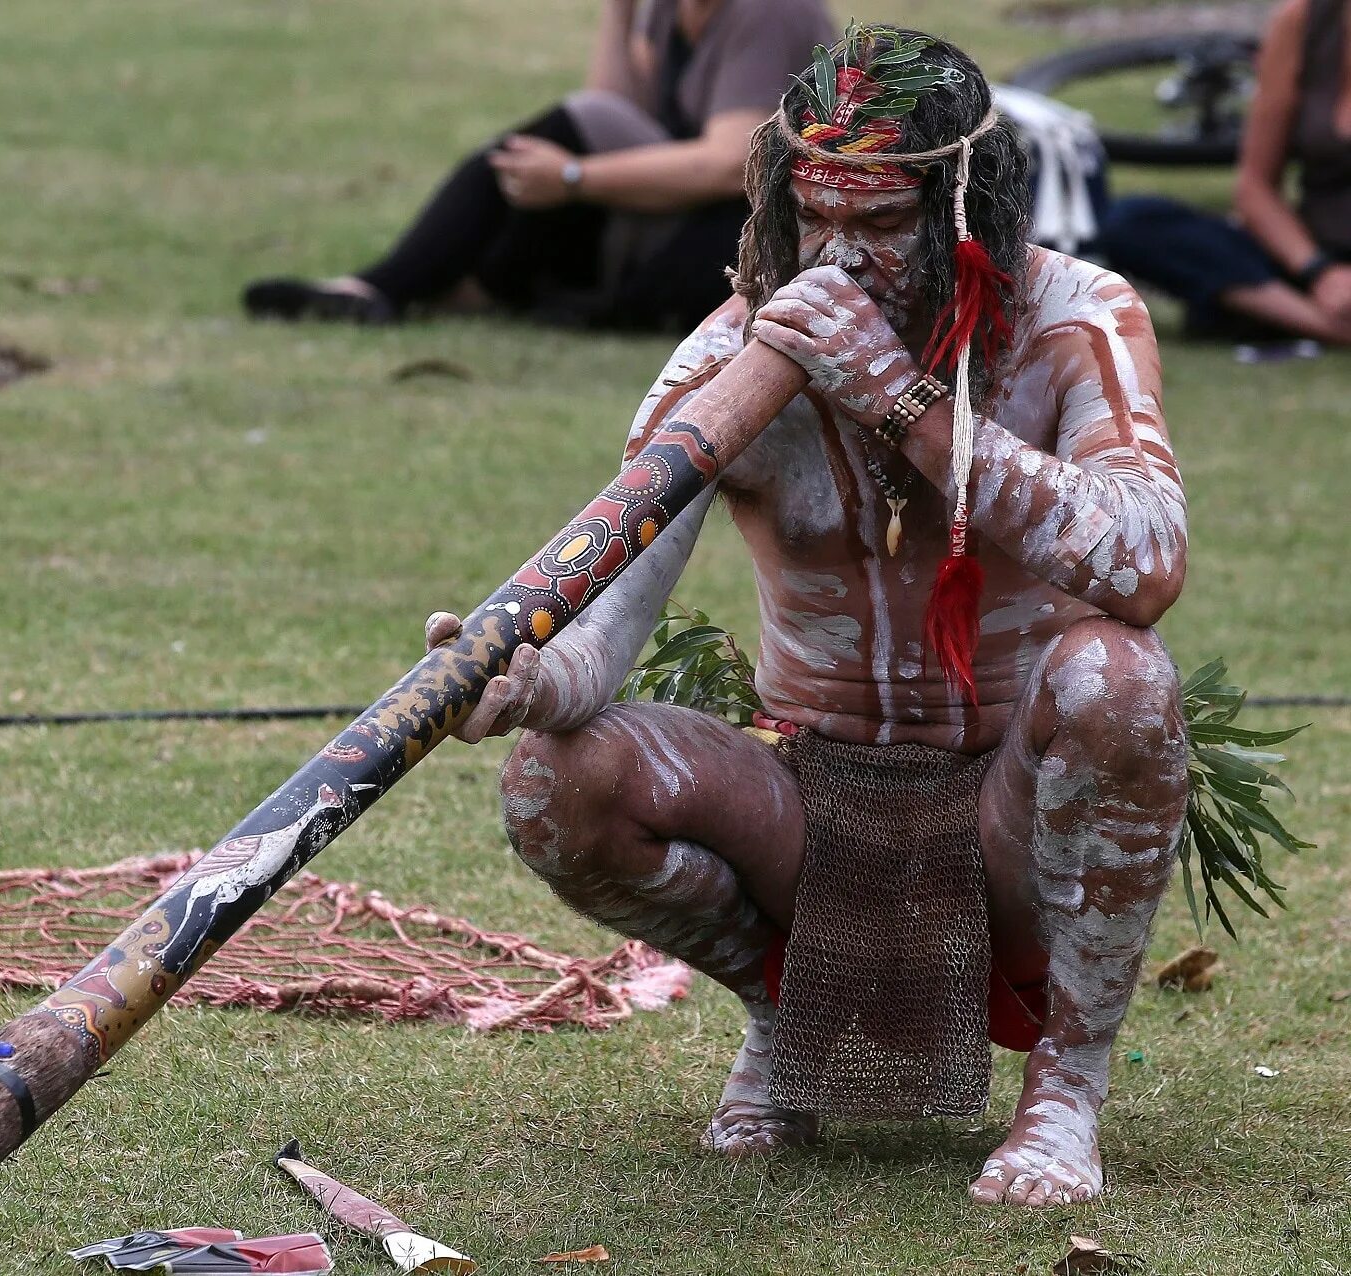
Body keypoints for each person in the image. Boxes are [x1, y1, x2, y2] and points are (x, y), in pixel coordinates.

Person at [427, 24, 1189, 1206]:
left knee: (1122, 679)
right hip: (807, 799)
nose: (839, 262)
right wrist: (521, 676)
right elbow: (604, 617)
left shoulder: (1072, 322)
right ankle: (785, 1016)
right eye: (814, 222)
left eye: (880, 226)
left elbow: (1145, 565)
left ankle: (1067, 1090)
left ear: (965, 217)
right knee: (552, 779)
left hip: (1011, 809)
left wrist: (903, 403)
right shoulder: (734, 349)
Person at [242, 0, 833, 333]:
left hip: (747, 234)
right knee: (550, 157)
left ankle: (388, 287)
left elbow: (732, 164)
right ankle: (444, 289)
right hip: (683, 218)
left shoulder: (769, 10)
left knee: (554, 154)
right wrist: (619, 13)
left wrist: (574, 177)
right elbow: (621, 111)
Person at [1098, 0, 1351, 343]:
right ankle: (1323, 324)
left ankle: (1257, 311)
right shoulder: (1305, 19)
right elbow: (1254, 187)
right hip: (1313, 259)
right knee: (1133, 220)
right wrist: (1319, 271)